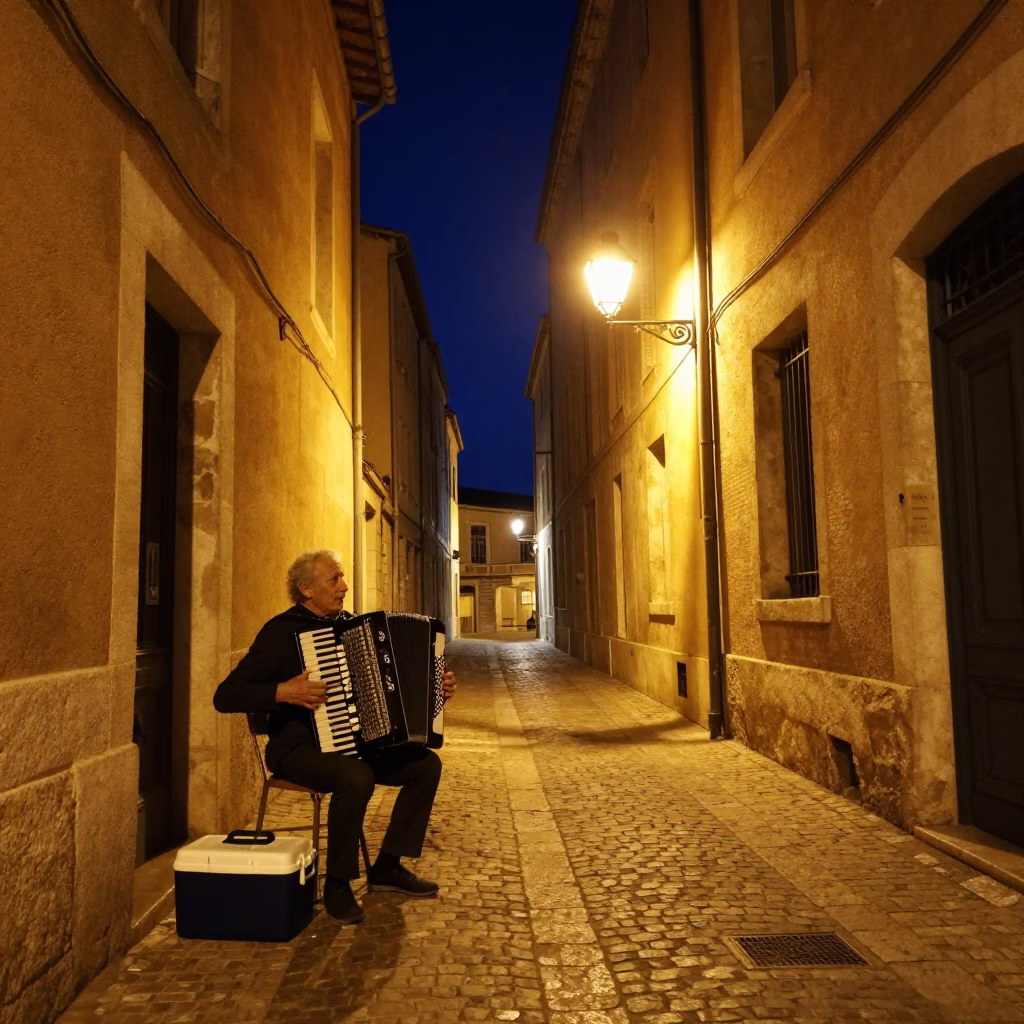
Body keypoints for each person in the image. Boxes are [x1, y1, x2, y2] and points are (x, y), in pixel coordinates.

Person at [213, 549, 456, 924]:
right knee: (354, 776)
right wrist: (281, 692)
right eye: (335, 579)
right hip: (295, 749)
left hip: (355, 744)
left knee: (426, 765)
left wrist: (434, 686)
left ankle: (388, 866)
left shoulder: (352, 628)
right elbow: (225, 696)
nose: (344, 587)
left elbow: (387, 687)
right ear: (306, 588)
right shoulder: (281, 632)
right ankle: (337, 885)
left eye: (342, 578)